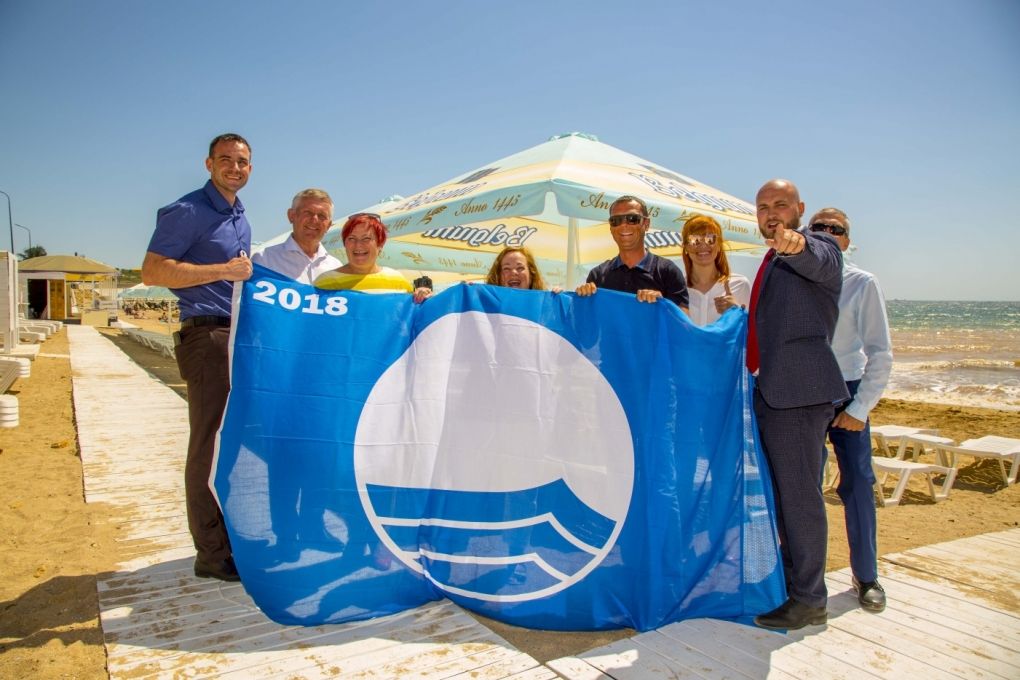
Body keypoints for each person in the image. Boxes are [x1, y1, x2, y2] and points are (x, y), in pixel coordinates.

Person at [141, 133, 254, 582]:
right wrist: (224, 270)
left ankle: (225, 539)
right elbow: (153, 270)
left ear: (250, 168)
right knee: (208, 445)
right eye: (225, 160)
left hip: (233, 337)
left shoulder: (238, 215)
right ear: (209, 164)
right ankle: (210, 552)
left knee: (228, 443)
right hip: (206, 337)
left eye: (242, 161)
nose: (234, 168)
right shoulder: (188, 210)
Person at [747, 179, 849, 630]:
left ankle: (809, 599)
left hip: (799, 395)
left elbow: (820, 257)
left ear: (800, 209)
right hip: (772, 393)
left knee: (801, 500)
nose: (771, 214)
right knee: (785, 499)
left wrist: (798, 242)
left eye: (781, 205)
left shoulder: (817, 245)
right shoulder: (770, 259)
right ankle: (795, 586)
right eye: (763, 207)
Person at [811, 207, 892, 612]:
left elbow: (881, 352)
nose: (827, 232)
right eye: (819, 227)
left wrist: (859, 409)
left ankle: (866, 576)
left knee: (858, 484)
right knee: (805, 487)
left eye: (836, 228)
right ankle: (805, 578)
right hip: (807, 393)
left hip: (848, 390)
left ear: (847, 240)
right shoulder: (797, 278)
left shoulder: (863, 283)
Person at [575, 196, 690, 312]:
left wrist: (663, 304)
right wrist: (582, 300)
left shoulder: (668, 272)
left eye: (633, 218)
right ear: (611, 227)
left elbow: (684, 319)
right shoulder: (597, 275)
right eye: (616, 220)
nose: (624, 224)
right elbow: (587, 318)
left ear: (646, 224)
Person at [314, 213, 432, 302]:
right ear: (345, 244)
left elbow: (414, 318)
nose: (358, 244)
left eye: (367, 238)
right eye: (352, 239)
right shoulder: (325, 282)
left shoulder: (398, 281)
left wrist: (426, 299)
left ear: (380, 245)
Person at [251, 189, 342, 283]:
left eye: (322, 216)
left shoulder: (336, 268)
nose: (315, 220)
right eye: (308, 212)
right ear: (291, 216)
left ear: (328, 225)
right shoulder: (265, 260)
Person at [681, 214, 751, 327]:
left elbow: (750, 332)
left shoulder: (740, 285)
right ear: (685, 247)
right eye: (695, 240)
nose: (703, 245)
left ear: (719, 245)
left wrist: (736, 311)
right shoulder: (677, 289)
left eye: (710, 239)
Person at [483, 246, 551, 290]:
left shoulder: (546, 304)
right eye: (506, 268)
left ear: (531, 276)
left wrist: (556, 300)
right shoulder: (484, 305)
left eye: (520, 268)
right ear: (498, 277)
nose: (513, 272)